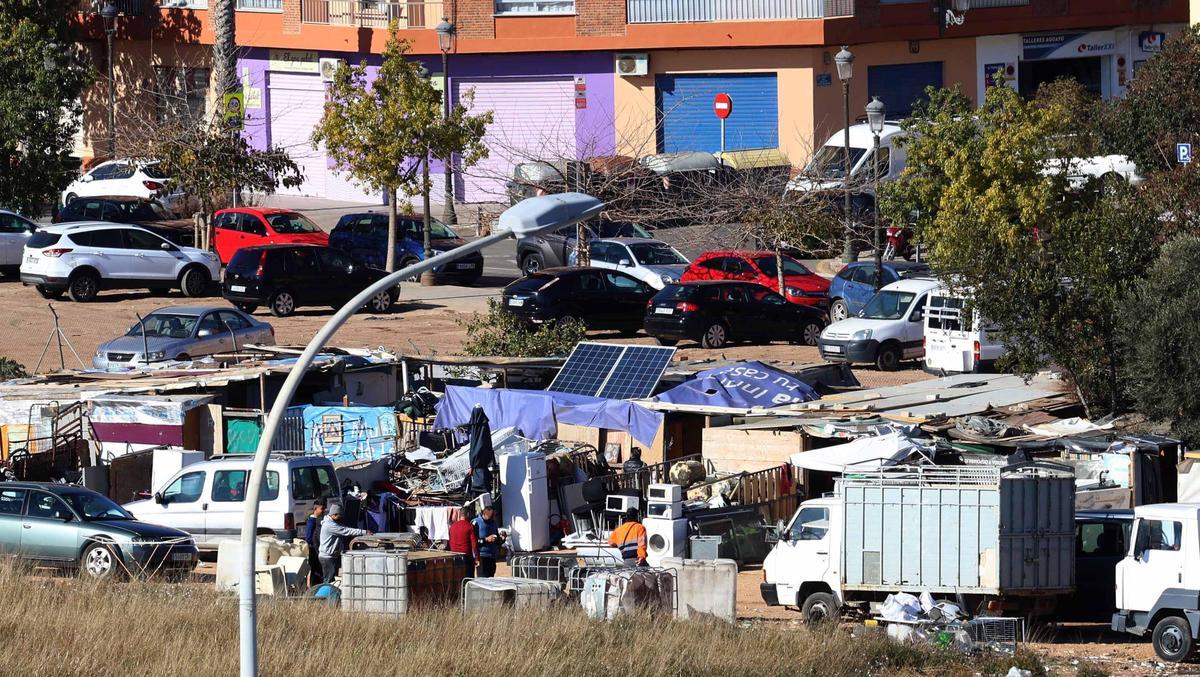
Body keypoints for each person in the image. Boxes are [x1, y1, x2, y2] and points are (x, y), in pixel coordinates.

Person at [318, 502, 371, 584]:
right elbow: (345, 531)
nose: (341, 517)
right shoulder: (330, 525)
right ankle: (325, 596)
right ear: (335, 514)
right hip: (327, 557)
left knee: (330, 579)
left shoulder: (331, 523)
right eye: (340, 515)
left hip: (328, 556)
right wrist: (363, 532)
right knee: (328, 580)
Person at [448, 506, 479, 576]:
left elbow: (450, 541)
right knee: (468, 579)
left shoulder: (452, 526)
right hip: (466, 557)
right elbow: (474, 544)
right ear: (468, 514)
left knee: (457, 579)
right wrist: (477, 558)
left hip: (454, 557)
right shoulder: (470, 526)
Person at [472, 505, 501, 578]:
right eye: (490, 516)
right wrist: (486, 539)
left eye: (493, 516)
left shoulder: (493, 523)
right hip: (481, 556)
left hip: (492, 556)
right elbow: (473, 541)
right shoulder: (476, 522)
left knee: (491, 577)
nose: (492, 518)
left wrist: (501, 539)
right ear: (484, 514)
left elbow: (497, 540)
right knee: (483, 579)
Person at [303, 500, 326, 587]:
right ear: (315, 508)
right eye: (322, 509)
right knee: (316, 570)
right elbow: (308, 537)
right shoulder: (312, 521)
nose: (323, 511)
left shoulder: (318, 520)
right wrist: (315, 544)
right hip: (314, 550)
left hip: (318, 549)